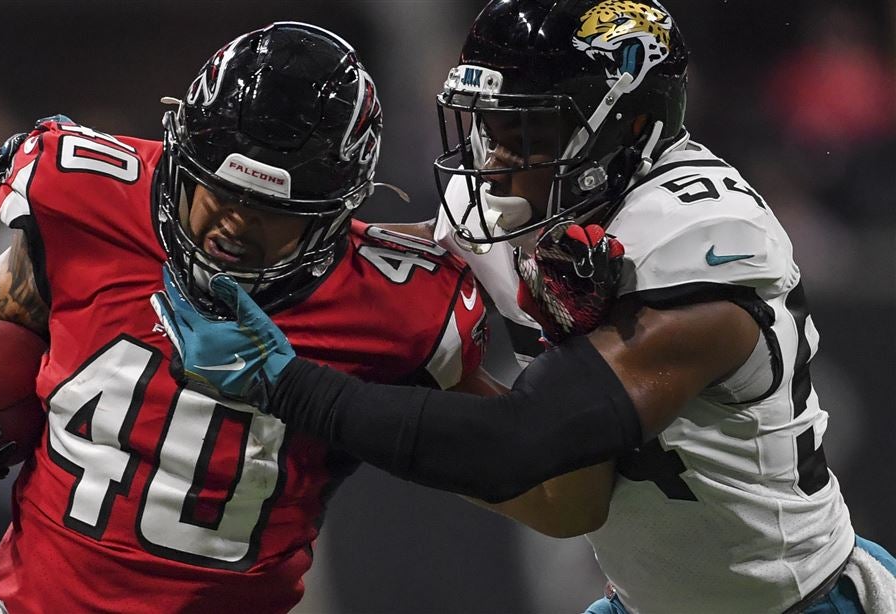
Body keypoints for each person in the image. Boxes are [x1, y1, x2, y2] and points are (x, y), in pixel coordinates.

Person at [153, 2, 896, 612]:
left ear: (627, 125)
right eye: (486, 121)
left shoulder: (702, 241)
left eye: (526, 128)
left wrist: (286, 383)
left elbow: (522, 442)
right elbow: (367, 268)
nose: (494, 154)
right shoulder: (524, 194)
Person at [0, 22, 505, 613]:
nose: (232, 222)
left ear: (330, 214)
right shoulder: (87, 199)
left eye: (268, 210)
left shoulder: (395, 305)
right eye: (218, 190)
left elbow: (514, 464)